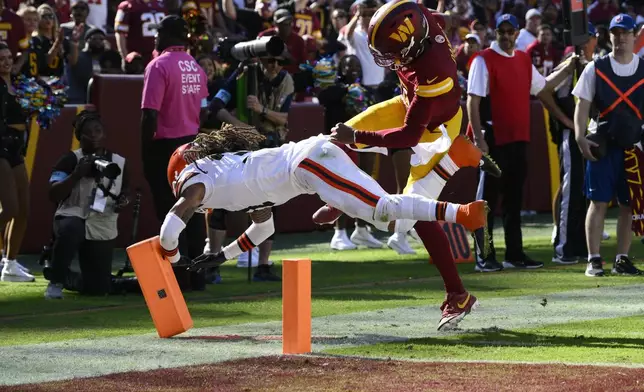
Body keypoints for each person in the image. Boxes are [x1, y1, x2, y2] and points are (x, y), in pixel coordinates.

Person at [163, 125, 488, 330]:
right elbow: (262, 229)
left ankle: (462, 213)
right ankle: (451, 164)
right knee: (386, 213)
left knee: (385, 211)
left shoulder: (197, 177)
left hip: (308, 166)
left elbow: (175, 220)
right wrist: (223, 255)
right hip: (313, 159)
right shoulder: (234, 173)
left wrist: (172, 255)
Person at [319, 0, 498, 325]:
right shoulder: (421, 18)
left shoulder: (433, 71)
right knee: (336, 139)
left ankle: (457, 295)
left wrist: (358, 138)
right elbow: (437, 15)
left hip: (437, 130)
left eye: (393, 52)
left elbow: (406, 137)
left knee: (416, 211)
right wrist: (352, 137)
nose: (388, 59)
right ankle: (345, 200)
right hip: (410, 104)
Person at [466, 14, 577, 272]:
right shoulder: (483, 60)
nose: (506, 36)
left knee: (514, 200)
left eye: (510, 31)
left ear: (517, 33)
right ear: (496, 33)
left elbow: (543, 89)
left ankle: (514, 254)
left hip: (518, 138)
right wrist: (479, 139)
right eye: (501, 31)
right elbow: (473, 101)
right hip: (493, 139)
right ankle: (484, 257)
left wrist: (568, 68)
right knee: (486, 202)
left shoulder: (523, 59)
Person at [140, 15, 208, 289]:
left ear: (167, 35)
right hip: (192, 144)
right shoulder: (196, 66)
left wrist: (145, 150)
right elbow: (203, 110)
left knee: (169, 213)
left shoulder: (158, 66)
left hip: (165, 147)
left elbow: (149, 115)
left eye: (158, 33)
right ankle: (196, 276)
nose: (155, 37)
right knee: (193, 208)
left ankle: (177, 277)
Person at [573, 14, 644, 277]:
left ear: (634, 35)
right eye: (616, 33)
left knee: (628, 205)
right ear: (609, 36)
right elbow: (581, 105)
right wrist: (580, 137)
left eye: (625, 32)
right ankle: (593, 259)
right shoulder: (596, 67)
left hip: (633, 147)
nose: (621, 37)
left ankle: (622, 259)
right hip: (601, 144)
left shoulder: (643, 67)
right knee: (598, 201)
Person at [45, 110, 130, 299]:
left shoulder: (119, 162)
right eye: (88, 132)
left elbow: (125, 190)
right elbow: (53, 194)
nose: (94, 135)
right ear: (79, 137)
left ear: (104, 133)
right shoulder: (69, 159)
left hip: (102, 222)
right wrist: (76, 174)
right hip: (72, 214)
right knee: (71, 228)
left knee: (98, 289)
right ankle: (56, 281)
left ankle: (71, 279)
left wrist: (123, 200)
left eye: (97, 131)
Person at [0, 43, 33, 283]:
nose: (6, 62)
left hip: (15, 149)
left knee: (23, 210)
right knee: (9, 208)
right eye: (1, 58)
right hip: (0, 148)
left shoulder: (20, 85)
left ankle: (10, 264)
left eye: (9, 57)